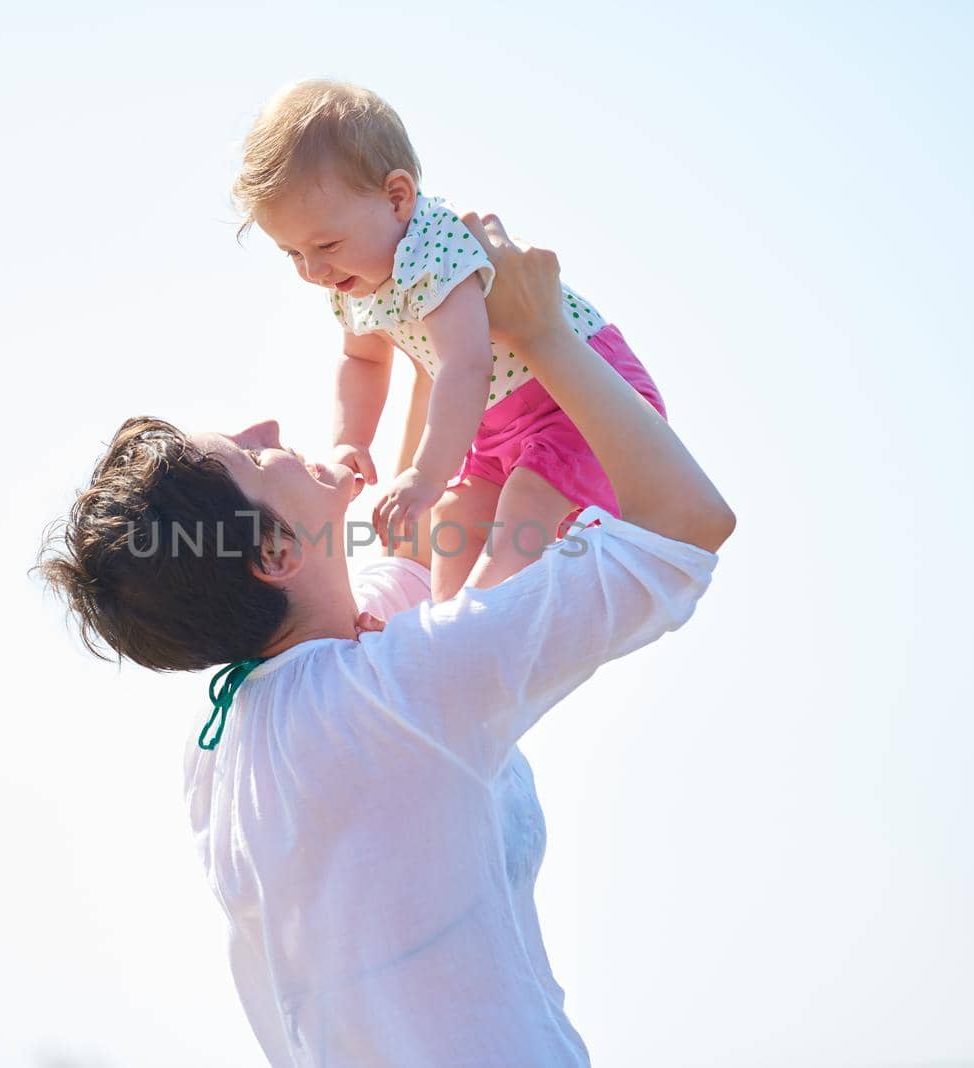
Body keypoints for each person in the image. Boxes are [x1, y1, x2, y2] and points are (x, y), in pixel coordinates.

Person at [37, 214, 734, 1066]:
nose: (265, 429)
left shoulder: (234, 735)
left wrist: (436, 309)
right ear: (275, 554)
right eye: (253, 463)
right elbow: (688, 526)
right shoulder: (396, 694)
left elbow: (411, 550)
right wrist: (547, 333)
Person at [233, 79, 669, 602]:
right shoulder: (351, 277)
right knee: (454, 518)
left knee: (522, 511)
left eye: (325, 244)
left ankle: (479, 627)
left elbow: (465, 364)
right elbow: (362, 360)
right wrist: (353, 439)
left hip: (575, 401)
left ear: (397, 198)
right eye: (293, 254)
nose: (313, 269)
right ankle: (447, 632)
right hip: (492, 424)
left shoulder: (433, 246)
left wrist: (423, 473)